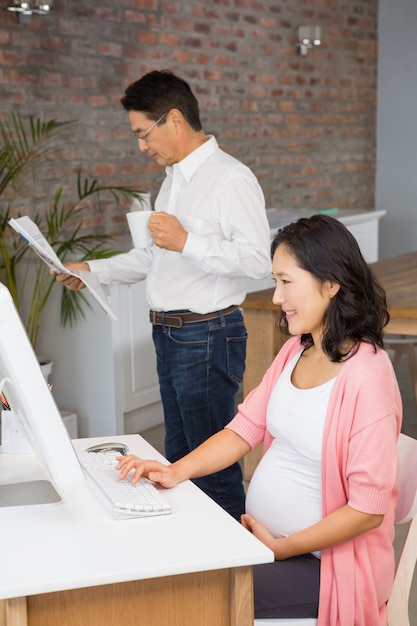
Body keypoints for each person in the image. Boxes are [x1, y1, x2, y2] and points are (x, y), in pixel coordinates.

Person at [115, 215, 402, 626]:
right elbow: (243, 430)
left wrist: (282, 548)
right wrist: (175, 471)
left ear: (331, 282)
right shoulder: (295, 352)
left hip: (326, 569)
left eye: (287, 282)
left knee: (185, 594)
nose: (275, 298)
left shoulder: (368, 376)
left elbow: (367, 510)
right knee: (166, 561)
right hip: (266, 545)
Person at [55, 69, 271, 521]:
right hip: (172, 337)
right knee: (178, 459)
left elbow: (258, 262)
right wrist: (91, 270)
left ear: (173, 120)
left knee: (211, 467)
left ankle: (234, 568)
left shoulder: (230, 178)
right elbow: (154, 259)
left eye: (142, 133)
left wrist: (187, 241)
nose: (141, 146)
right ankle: (196, 558)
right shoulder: (172, 180)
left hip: (208, 335)